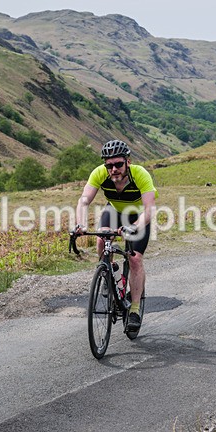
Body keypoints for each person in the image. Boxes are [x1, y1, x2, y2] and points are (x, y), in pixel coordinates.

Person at [75, 140, 156, 332]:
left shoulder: (140, 175)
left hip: (138, 215)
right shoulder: (100, 174)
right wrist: (80, 224)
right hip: (114, 210)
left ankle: (134, 310)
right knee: (101, 241)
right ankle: (108, 271)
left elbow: (149, 210)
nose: (114, 169)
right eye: (109, 165)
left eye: (118, 164)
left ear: (127, 161)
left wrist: (133, 227)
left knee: (135, 259)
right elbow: (83, 201)